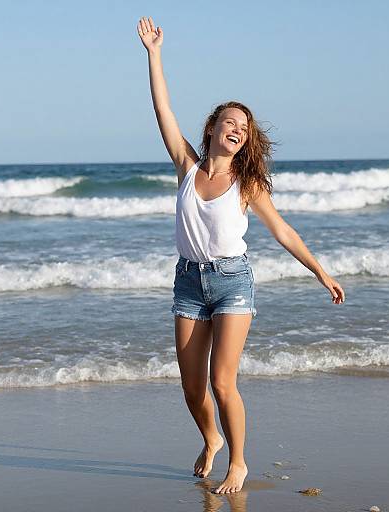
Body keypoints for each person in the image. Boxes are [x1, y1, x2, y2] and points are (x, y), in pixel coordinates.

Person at [137, 16, 345, 494]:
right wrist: (154, 54)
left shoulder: (246, 183)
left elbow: (283, 231)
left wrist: (321, 272)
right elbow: (162, 110)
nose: (236, 129)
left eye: (243, 128)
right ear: (211, 128)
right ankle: (210, 439)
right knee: (192, 389)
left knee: (221, 381)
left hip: (233, 281)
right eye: (229, 121)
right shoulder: (186, 166)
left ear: (246, 141)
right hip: (189, 282)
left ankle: (239, 461)